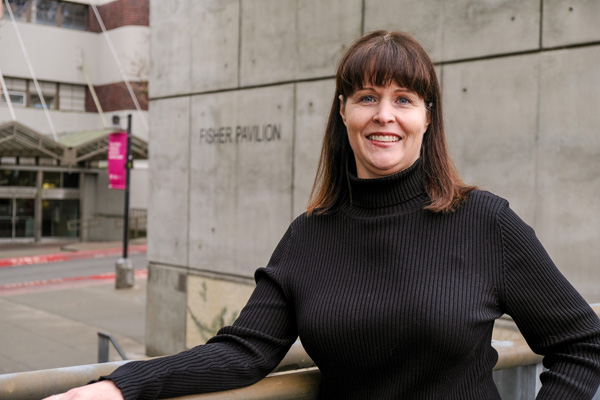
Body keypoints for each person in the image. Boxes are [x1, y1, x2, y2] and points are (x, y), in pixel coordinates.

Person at [46, 30, 600, 400]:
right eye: (366, 97)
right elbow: (246, 349)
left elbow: (582, 346)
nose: (385, 115)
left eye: (405, 99)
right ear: (343, 112)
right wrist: (121, 385)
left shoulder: (484, 222)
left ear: (428, 117)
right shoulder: (309, 236)